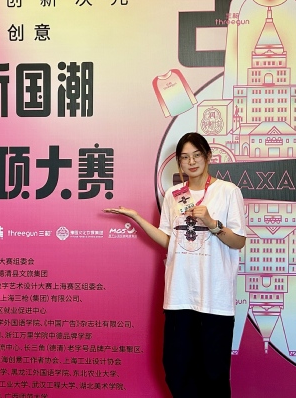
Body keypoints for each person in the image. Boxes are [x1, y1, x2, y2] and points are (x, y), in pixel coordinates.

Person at [104, 132, 246, 398]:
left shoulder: (228, 191)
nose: (191, 162)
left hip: (214, 297)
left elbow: (238, 242)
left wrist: (212, 224)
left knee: (213, 374)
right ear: (179, 163)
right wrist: (137, 218)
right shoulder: (173, 195)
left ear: (208, 157)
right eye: (185, 157)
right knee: (176, 369)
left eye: (197, 155)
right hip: (180, 295)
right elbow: (170, 241)